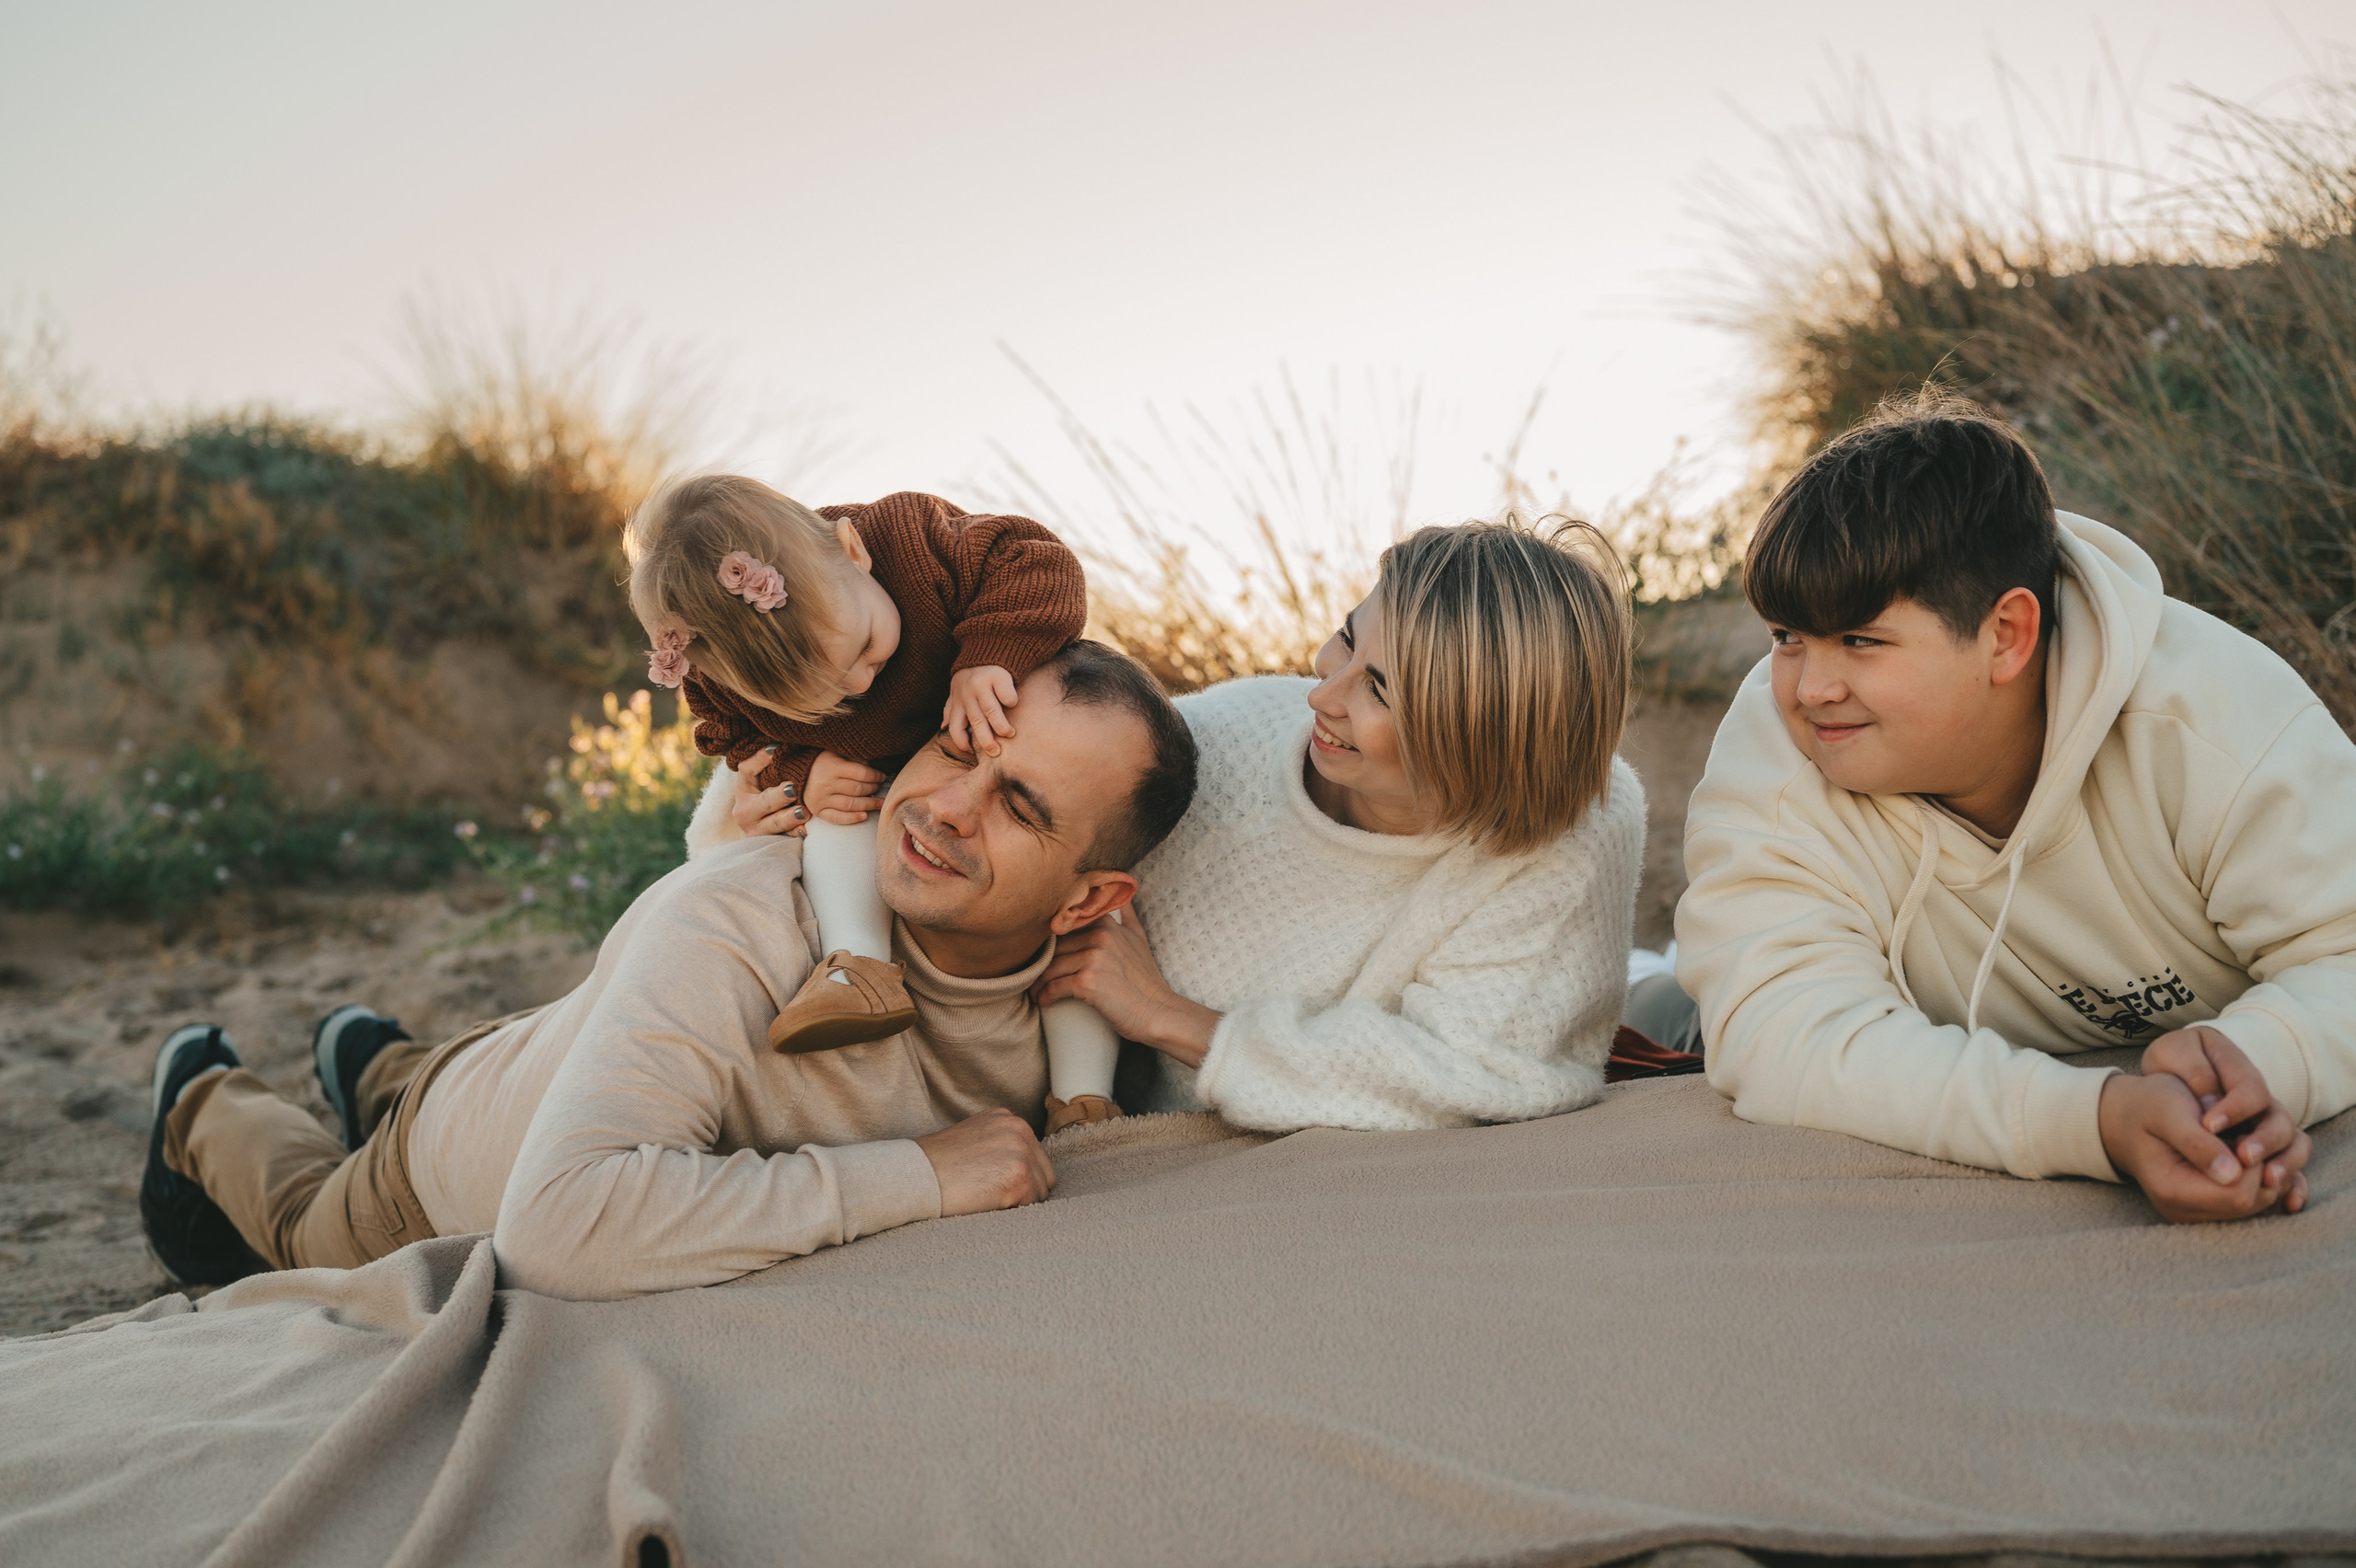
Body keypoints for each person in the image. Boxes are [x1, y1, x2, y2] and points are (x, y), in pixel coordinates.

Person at [138, 641, 1198, 1299]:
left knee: (478, 1061)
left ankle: (372, 1060)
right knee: (299, 1218)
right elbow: (555, 1228)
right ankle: (202, 1095)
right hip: (445, 1178)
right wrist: (921, 1174)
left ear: (1087, 900)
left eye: (1020, 806)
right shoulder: (740, 913)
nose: (950, 808)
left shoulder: (1075, 1016)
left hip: (557, 1057)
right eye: (960, 749)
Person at [1672, 392, 2356, 1222]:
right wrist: (2092, 1120)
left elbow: (2343, 954)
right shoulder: (1777, 754)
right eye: (1787, 638)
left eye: (1859, 640)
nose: (1811, 690)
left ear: (2006, 635)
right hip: (1692, 1008)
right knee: (1663, 1014)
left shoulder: (2213, 718)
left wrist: (2247, 1076)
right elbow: (1782, 1034)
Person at [1032, 517, 1646, 1132]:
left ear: (1478, 742)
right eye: (1347, 640)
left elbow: (1479, 1072)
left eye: (1378, 690)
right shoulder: (1203, 748)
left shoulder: (1575, 828)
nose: (1321, 695)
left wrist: (1167, 1017)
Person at [628, 477, 1130, 1134]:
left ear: (853, 551)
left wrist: (987, 656)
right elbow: (735, 743)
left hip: (989, 743)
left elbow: (1037, 561)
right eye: (818, 699)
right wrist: (803, 771)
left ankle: (1085, 1098)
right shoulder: (726, 678)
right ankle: (858, 968)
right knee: (841, 816)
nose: (858, 685)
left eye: (863, 650)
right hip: (882, 785)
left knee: (1071, 911)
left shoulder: (913, 543)